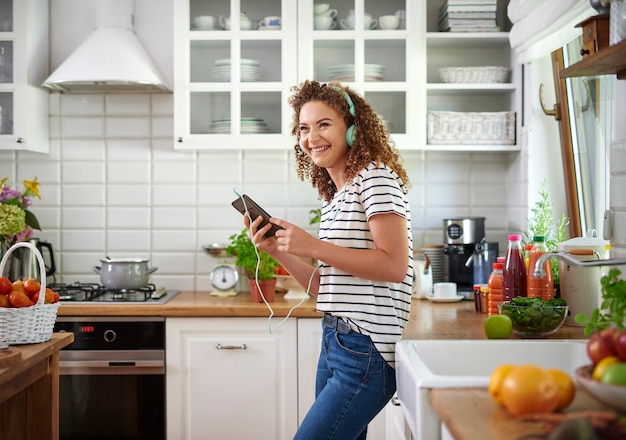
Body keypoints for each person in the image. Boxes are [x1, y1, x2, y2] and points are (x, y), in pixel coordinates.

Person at [242, 80, 413, 440]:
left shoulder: (377, 178)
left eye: (323, 124)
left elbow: (394, 266)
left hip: (366, 350)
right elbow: (325, 288)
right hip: (336, 342)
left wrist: (312, 246)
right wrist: (278, 250)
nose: (311, 137)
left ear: (353, 128)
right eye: (304, 128)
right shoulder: (337, 198)